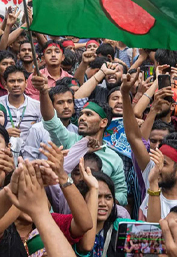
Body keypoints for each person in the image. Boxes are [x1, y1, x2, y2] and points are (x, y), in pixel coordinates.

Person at [36, 72, 128, 205]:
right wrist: (44, 92)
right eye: (81, 114)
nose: (81, 118)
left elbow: (121, 193)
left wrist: (101, 202)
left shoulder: (114, 158)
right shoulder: (69, 140)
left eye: (88, 114)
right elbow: (51, 121)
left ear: (103, 122)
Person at [0, 65, 42, 141]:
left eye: (20, 81)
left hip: (31, 151)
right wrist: (4, 133)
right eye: (12, 81)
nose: (16, 84)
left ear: (26, 83)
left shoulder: (37, 106)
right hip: (3, 150)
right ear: (5, 84)